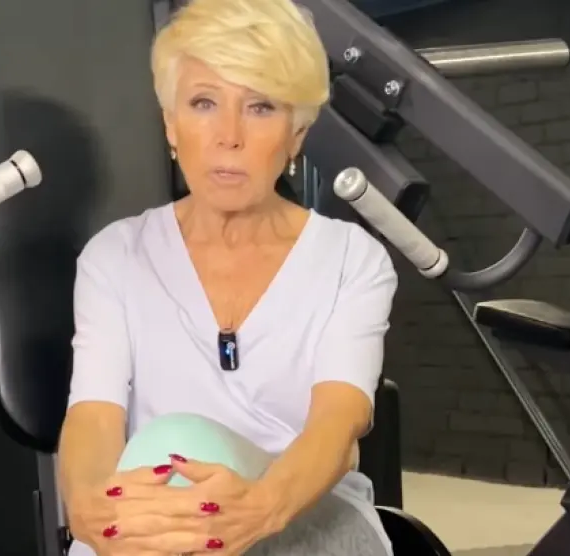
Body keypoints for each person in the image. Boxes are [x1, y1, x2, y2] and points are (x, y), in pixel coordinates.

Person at [58, 0, 398, 553]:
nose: (229, 135)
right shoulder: (115, 256)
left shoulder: (351, 259)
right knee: (148, 493)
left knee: (175, 444)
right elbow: (93, 417)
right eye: (203, 103)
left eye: (260, 106)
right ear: (171, 123)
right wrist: (88, 507)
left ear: (297, 133)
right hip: (159, 521)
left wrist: (257, 511)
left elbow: (339, 426)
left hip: (305, 520)